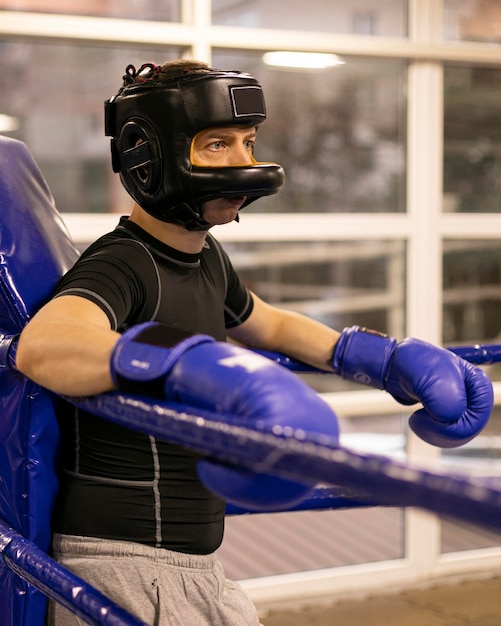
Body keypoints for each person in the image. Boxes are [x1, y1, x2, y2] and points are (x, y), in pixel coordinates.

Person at [15, 60, 493, 626]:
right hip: (124, 566)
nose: (243, 163)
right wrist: (188, 363)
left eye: (248, 142)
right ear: (149, 155)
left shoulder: (205, 256)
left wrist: (379, 356)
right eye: (217, 144)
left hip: (190, 566)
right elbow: (43, 343)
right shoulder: (124, 261)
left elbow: (267, 323)